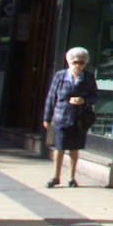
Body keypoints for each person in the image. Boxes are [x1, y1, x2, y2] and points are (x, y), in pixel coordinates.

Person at [41, 46, 98, 188]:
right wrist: (47, 117)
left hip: (79, 118)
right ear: (69, 62)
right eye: (75, 62)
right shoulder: (60, 76)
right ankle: (55, 176)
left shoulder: (88, 77)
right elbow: (51, 97)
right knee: (60, 147)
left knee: (74, 148)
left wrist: (83, 100)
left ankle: (72, 177)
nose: (78, 66)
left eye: (81, 63)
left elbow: (95, 96)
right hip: (62, 116)